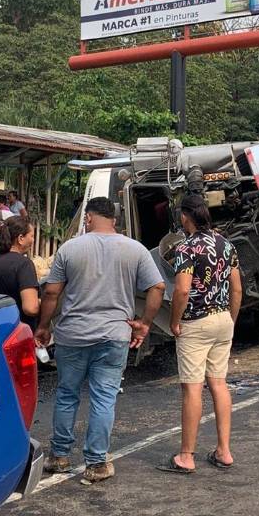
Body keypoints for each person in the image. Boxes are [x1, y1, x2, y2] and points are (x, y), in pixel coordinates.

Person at [35, 196, 165, 485]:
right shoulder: (135, 250)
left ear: (89, 218)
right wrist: (144, 323)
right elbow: (157, 286)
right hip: (114, 335)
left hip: (73, 335)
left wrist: (43, 326)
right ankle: (96, 463)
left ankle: (59, 456)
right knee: (103, 397)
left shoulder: (70, 248)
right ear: (114, 220)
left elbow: (52, 294)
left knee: (67, 394)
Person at [161, 194, 242, 474]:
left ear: (185, 216)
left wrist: (175, 321)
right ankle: (224, 450)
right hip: (223, 320)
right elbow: (237, 288)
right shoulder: (226, 245)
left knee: (192, 388)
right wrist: (230, 317)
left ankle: (186, 455)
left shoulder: (186, 248)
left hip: (196, 323)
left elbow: (182, 290)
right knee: (218, 383)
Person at [0, 216, 39, 329]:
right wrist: (42, 302)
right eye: (32, 236)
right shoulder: (23, 264)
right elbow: (30, 308)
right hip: (15, 332)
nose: (33, 240)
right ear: (20, 238)